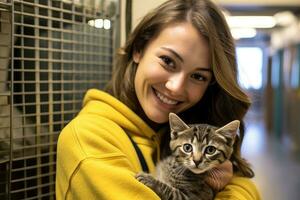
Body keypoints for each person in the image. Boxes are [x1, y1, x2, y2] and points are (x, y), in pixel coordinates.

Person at [55, 0, 261, 199]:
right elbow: (245, 189)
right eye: (168, 61)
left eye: (199, 76)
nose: (176, 87)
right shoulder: (88, 140)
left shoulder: (182, 130)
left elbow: (245, 184)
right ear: (138, 49)